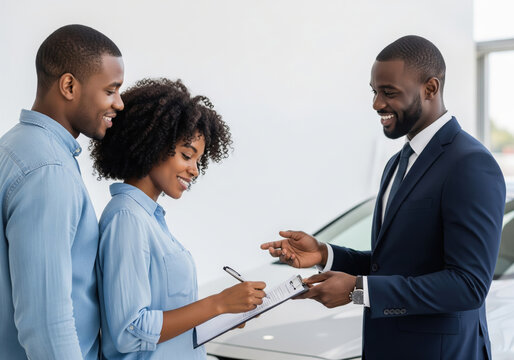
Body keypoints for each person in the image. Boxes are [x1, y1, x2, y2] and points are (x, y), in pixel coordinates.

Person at [261, 35, 505, 360]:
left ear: (430, 88)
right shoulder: (397, 163)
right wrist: (324, 253)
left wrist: (358, 290)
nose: (377, 103)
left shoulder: (470, 163)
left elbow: (468, 285)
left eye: (389, 92)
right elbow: (396, 262)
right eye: (374, 91)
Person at [90, 78, 266, 359]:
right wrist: (218, 304)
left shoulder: (150, 218)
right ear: (152, 144)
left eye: (198, 160)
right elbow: (129, 331)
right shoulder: (127, 218)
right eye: (187, 155)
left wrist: (224, 314)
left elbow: (164, 322)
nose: (194, 170)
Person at [0, 25, 124, 359]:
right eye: (111, 91)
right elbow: (46, 325)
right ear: (69, 86)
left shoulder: (15, 146)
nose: (120, 103)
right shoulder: (48, 170)